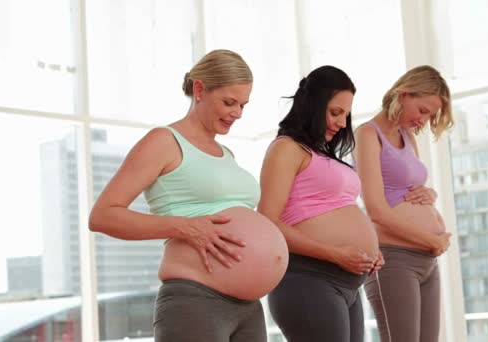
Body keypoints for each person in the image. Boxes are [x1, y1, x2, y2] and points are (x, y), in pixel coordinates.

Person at [88, 49, 288, 342]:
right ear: (199, 89)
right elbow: (103, 215)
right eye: (229, 102)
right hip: (196, 300)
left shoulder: (227, 154)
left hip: (248, 307)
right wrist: (185, 227)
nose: (237, 113)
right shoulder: (164, 141)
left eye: (243, 105)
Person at [258, 65, 382, 342]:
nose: (341, 123)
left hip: (347, 283)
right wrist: (336, 253)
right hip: (309, 279)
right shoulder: (286, 148)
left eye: (346, 115)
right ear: (312, 105)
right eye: (335, 112)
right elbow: (268, 222)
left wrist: (368, 252)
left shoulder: (324, 155)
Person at [353, 65, 454, 342]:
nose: (424, 120)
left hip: (427, 259)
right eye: (422, 110)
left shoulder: (408, 137)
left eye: (430, 115)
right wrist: (431, 239)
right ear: (404, 94)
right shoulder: (367, 135)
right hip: (394, 258)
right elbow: (376, 209)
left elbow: (409, 185)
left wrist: (428, 194)